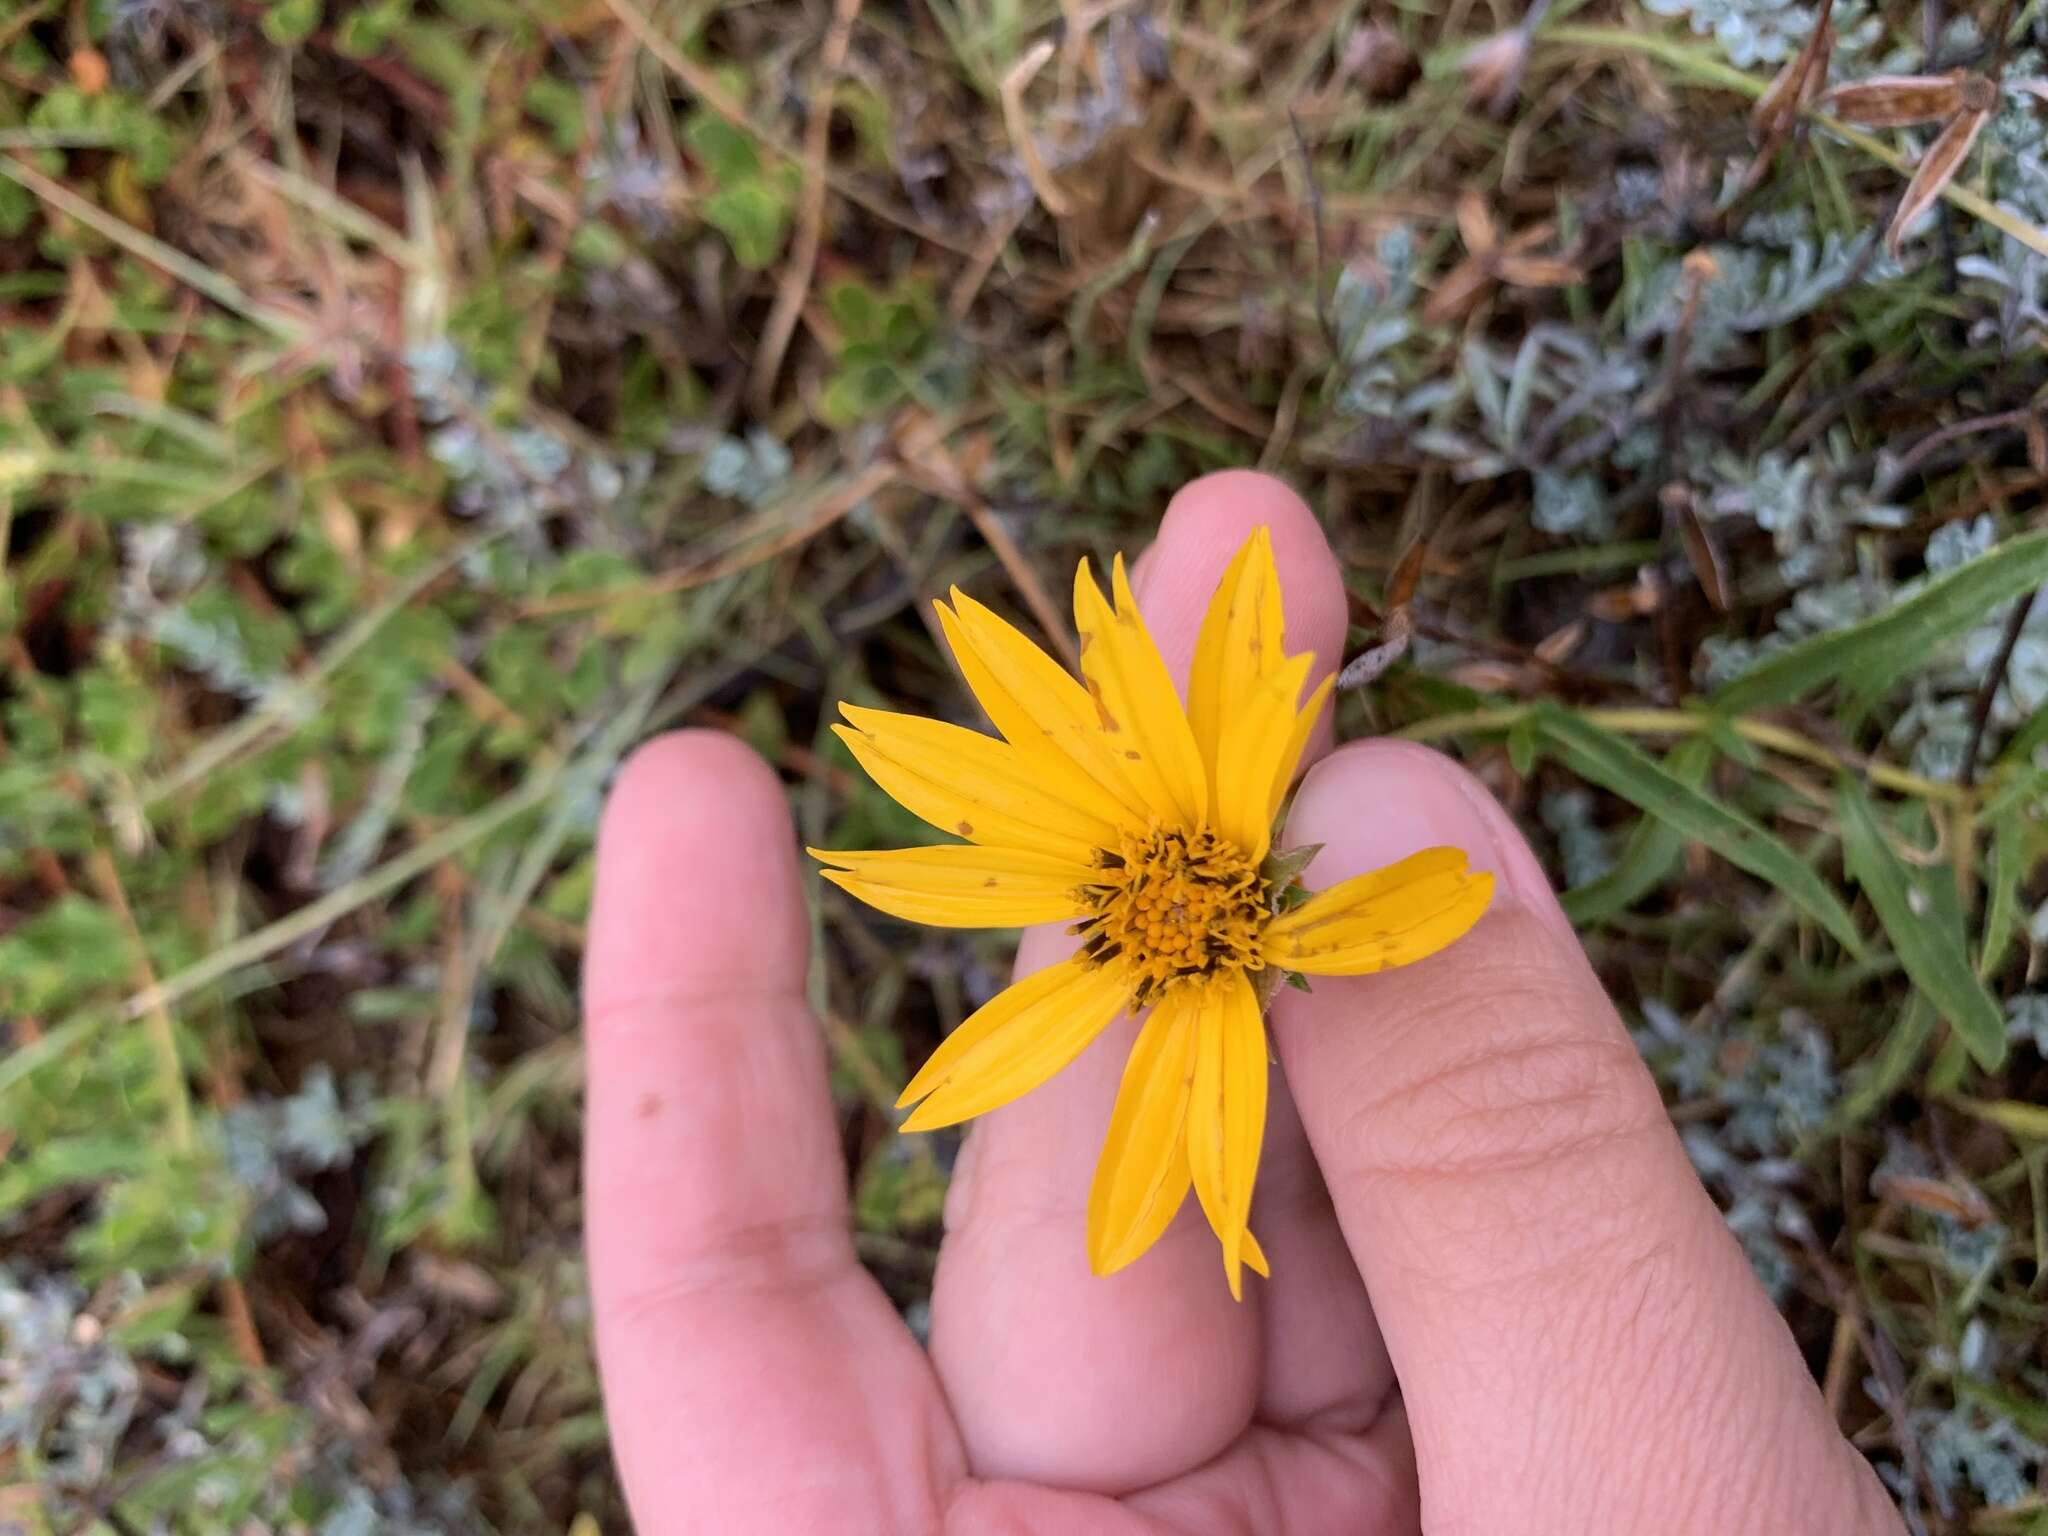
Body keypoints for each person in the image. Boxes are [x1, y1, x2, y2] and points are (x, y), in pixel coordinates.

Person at [582, 472, 1903, 1534]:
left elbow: (1243, 711)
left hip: (1239, 859)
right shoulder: (1160, 958)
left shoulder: (1201, 870)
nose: (1158, 921)